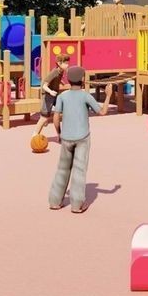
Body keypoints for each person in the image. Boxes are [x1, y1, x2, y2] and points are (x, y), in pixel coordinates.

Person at [47, 66, 113, 213]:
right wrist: (108, 95)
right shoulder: (86, 96)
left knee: (62, 169)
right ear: (82, 79)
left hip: (66, 137)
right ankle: (77, 204)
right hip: (82, 137)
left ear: (68, 79)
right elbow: (102, 112)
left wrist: (59, 133)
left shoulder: (62, 96)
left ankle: (54, 201)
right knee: (79, 170)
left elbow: (56, 117)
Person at [34, 54, 71, 140]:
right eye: (65, 63)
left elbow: (56, 79)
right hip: (48, 95)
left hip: (55, 94)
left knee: (63, 111)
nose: (67, 65)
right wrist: (50, 91)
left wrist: (60, 82)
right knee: (44, 117)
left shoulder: (61, 71)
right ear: (59, 63)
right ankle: (34, 135)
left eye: (67, 63)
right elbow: (44, 85)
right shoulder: (54, 72)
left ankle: (60, 135)